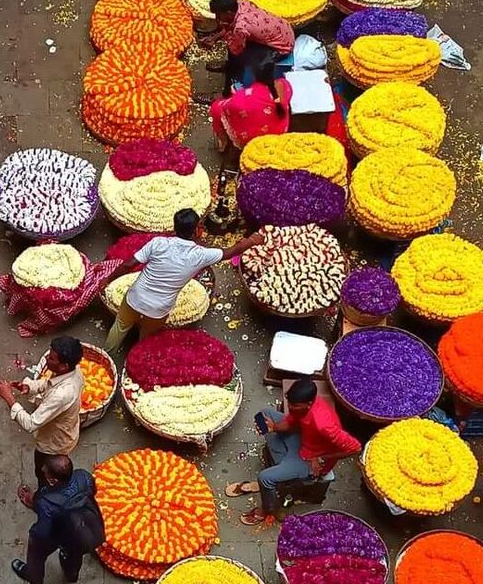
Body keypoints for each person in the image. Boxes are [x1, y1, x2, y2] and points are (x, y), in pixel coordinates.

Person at [104, 209, 263, 351]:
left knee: (120, 326)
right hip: (158, 309)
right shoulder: (200, 255)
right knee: (146, 338)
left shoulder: (158, 243)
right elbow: (232, 251)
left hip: (135, 298)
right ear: (196, 231)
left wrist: (108, 279)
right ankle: (137, 358)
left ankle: (108, 352)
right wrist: (252, 241)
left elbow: (128, 265)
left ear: (175, 227)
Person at [225, 379, 361, 525]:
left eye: (294, 405)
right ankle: (282, 473)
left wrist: (321, 458)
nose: (289, 407)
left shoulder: (324, 425)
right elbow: (292, 422)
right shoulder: (300, 407)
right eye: (289, 403)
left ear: (309, 404)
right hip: (302, 439)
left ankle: (267, 509)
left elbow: (355, 448)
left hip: (310, 459)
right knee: (265, 415)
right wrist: (274, 427)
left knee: (264, 478)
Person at [0, 336, 84, 497]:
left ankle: (41, 498)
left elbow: (31, 423)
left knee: (44, 472)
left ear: (64, 365)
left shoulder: (62, 395)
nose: (46, 359)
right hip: (66, 433)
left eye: (51, 358)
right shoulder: (74, 371)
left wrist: (9, 398)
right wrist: (29, 386)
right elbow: (49, 384)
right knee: (52, 472)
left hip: (53, 444)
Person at [12, 454, 104, 584]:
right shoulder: (83, 476)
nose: (43, 469)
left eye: (46, 471)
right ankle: (71, 575)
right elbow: (92, 492)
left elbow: (43, 532)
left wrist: (34, 535)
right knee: (74, 554)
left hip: (61, 535)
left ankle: (34, 576)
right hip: (88, 531)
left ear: (53, 481)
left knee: (36, 554)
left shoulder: (46, 502)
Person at [203, 0, 294, 95]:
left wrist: (226, 33)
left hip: (281, 47)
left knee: (237, 52)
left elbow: (236, 49)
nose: (217, 18)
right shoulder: (241, 3)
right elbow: (232, 26)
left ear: (228, 12)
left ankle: (227, 92)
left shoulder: (242, 27)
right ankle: (231, 67)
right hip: (285, 30)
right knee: (236, 45)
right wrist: (215, 38)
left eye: (219, 15)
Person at [209, 56, 293, 151]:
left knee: (216, 108)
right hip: (279, 131)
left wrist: (234, 95)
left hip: (254, 139)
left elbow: (227, 107)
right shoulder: (284, 85)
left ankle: (223, 142)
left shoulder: (243, 97)